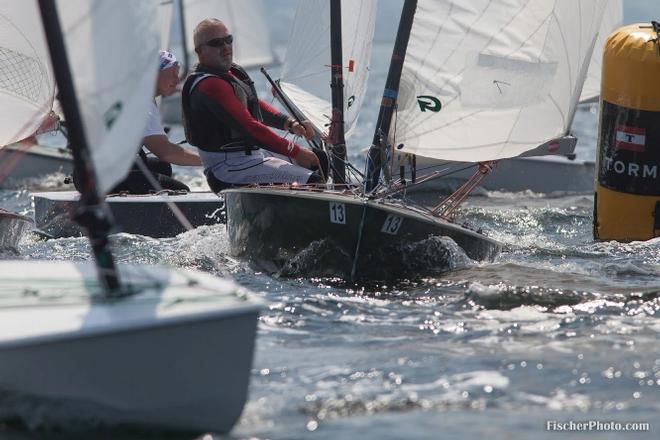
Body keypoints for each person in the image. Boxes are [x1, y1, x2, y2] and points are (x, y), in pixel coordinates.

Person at [181, 18, 327, 192]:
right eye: (217, 43)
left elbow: (251, 104)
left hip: (250, 157)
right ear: (200, 52)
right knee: (312, 181)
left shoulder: (230, 73)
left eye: (229, 40)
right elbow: (250, 128)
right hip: (226, 168)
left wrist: (289, 123)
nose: (226, 47)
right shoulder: (210, 85)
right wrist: (295, 151)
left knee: (319, 158)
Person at [74, 50, 201, 194]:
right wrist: (208, 161)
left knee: (163, 167)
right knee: (182, 191)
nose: (177, 80)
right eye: (172, 73)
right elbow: (165, 151)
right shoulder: (141, 102)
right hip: (96, 178)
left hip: (88, 172)